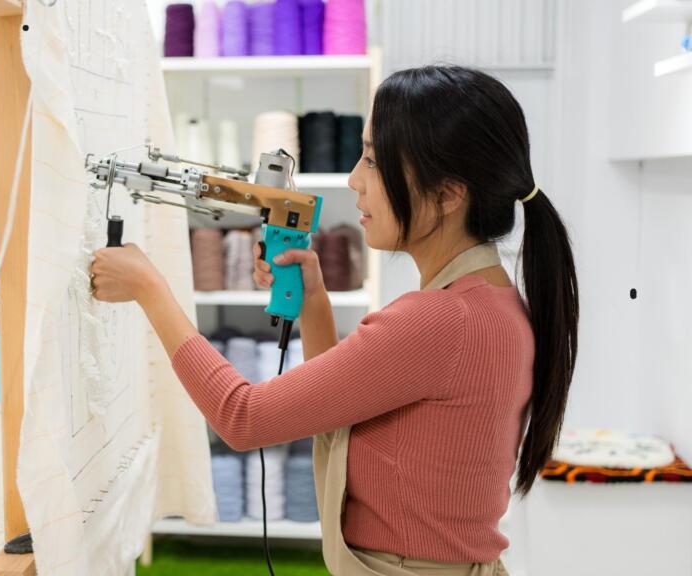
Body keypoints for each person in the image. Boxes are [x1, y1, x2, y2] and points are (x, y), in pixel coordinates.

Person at [89, 65, 578, 576]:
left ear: (449, 194)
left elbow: (243, 417)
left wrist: (152, 290)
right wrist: (315, 301)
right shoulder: (489, 304)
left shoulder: (440, 321)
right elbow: (338, 405)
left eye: (373, 160)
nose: (354, 180)